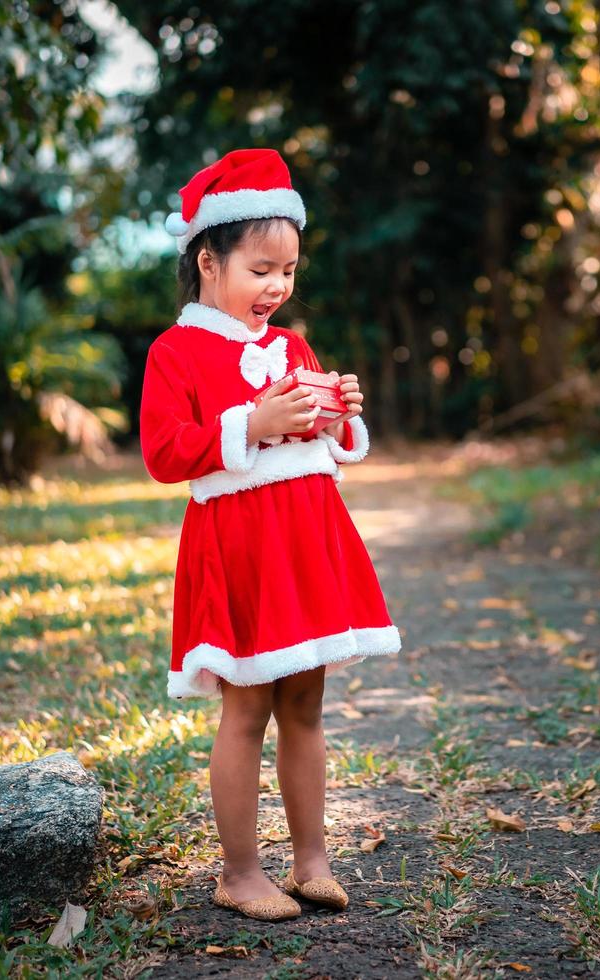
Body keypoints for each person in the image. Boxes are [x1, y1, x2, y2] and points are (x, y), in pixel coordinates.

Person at [138, 148, 401, 921]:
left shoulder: (291, 346)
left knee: (307, 703)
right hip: (242, 548)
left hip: (306, 539)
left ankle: (313, 859)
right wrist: (249, 424)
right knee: (247, 707)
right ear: (209, 261)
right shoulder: (175, 351)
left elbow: (323, 439)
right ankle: (241, 870)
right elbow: (163, 451)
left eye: (288, 271)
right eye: (261, 270)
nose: (277, 288)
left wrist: (340, 413)